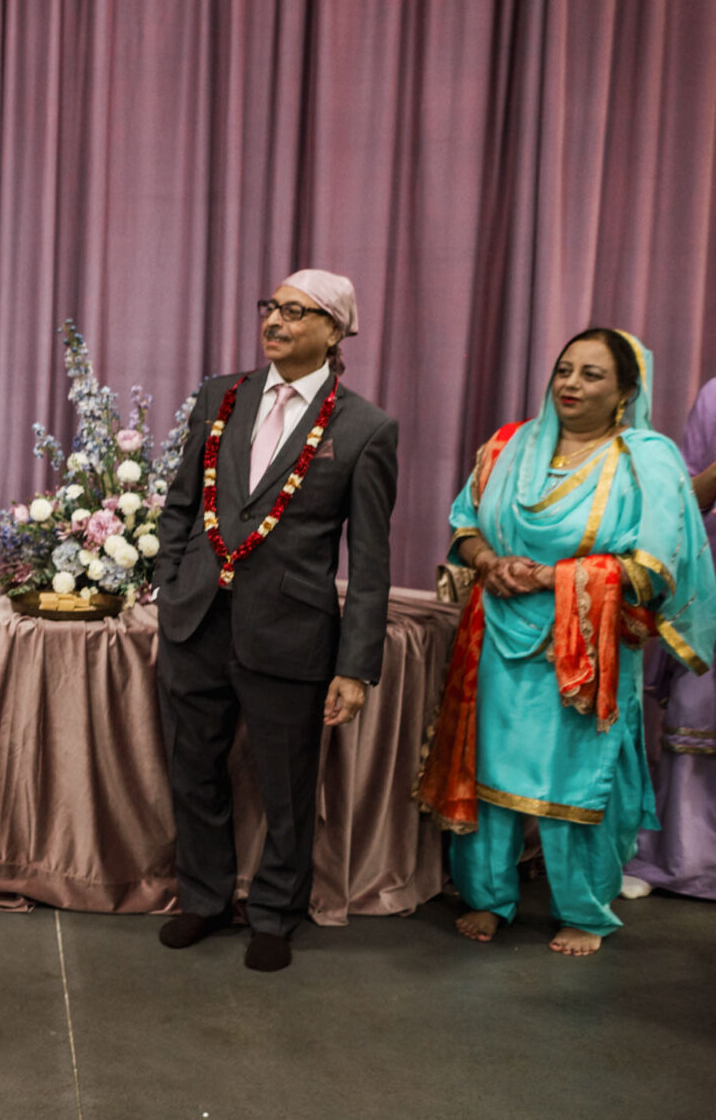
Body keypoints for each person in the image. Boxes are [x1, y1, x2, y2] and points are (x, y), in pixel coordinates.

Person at [417, 329, 716, 955]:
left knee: (575, 778)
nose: (571, 385)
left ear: (627, 392)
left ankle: (583, 906)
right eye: (564, 370)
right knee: (492, 770)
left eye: (592, 375)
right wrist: (489, 561)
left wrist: (560, 577)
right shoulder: (509, 446)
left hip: (587, 648)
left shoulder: (646, 460)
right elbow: (464, 524)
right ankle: (488, 898)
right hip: (499, 635)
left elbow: (657, 564)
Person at [152, 270, 397, 973]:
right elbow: (179, 502)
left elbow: (371, 560)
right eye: (273, 307)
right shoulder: (219, 395)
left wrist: (354, 666)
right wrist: (170, 583)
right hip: (196, 619)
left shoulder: (366, 428)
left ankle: (275, 913)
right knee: (192, 768)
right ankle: (202, 899)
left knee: (286, 785)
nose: (277, 321)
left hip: (290, 633)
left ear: (336, 330)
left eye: (298, 311)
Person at [624, 375, 716, 900]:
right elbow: (687, 504)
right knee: (699, 710)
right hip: (713, 582)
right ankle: (687, 861)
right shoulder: (714, 396)